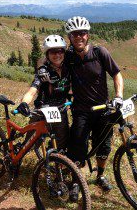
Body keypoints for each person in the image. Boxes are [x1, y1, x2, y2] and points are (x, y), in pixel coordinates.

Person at [64, 16, 124, 193]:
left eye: (82, 33)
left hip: (103, 109)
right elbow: (49, 63)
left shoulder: (100, 53)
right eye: (74, 34)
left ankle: (100, 176)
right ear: (70, 37)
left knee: (103, 146)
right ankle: (76, 180)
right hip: (81, 110)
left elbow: (116, 74)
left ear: (87, 35)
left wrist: (119, 95)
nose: (79, 37)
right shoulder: (68, 57)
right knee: (77, 146)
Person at [16, 35, 71, 151]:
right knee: (29, 145)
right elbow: (32, 91)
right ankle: (14, 161)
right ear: (47, 55)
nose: (57, 55)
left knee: (61, 145)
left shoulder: (68, 67)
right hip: (42, 111)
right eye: (53, 52)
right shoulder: (43, 73)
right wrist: (24, 103)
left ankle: (56, 164)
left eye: (60, 51)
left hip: (61, 110)